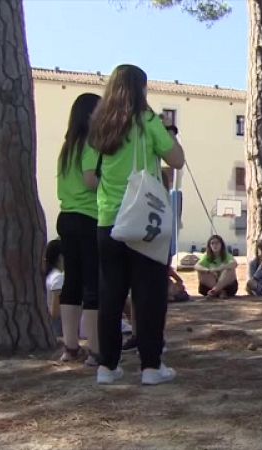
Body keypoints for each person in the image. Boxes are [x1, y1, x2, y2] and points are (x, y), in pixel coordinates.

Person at [89, 64, 185, 385]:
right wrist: (168, 135)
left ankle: (107, 366)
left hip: (108, 220)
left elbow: (92, 174)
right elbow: (176, 160)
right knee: (149, 295)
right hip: (143, 220)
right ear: (140, 89)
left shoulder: (99, 125)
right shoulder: (147, 121)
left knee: (111, 296)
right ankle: (151, 367)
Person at [55, 92, 102, 365]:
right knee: (93, 283)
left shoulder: (67, 147)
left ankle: (70, 347)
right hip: (89, 217)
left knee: (71, 281)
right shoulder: (91, 144)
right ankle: (95, 349)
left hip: (67, 216)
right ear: (89, 115)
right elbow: (90, 180)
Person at [44, 239, 64, 337]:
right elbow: (55, 312)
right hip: (57, 328)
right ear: (60, 257)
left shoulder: (48, 276)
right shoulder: (58, 277)